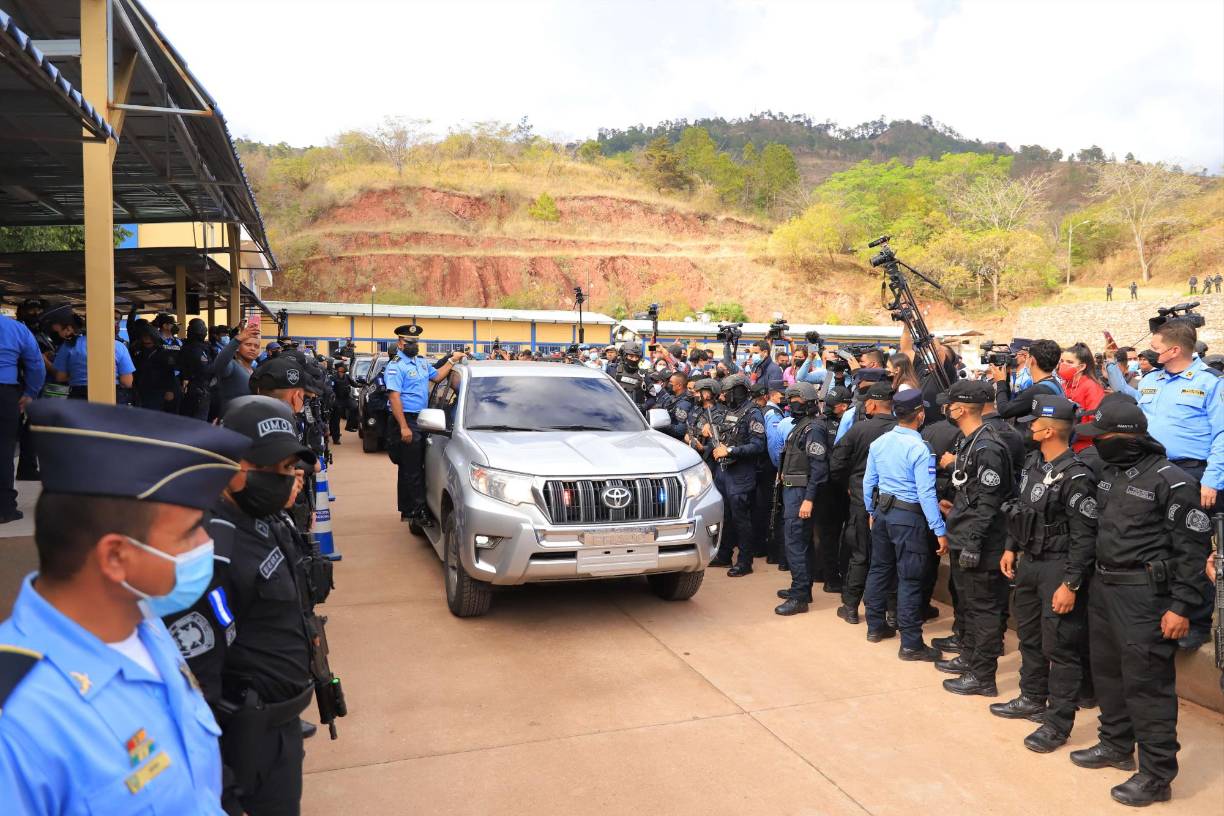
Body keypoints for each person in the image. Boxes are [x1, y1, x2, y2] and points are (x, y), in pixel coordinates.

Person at [0, 399, 250, 814]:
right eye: (190, 534)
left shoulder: (144, 625)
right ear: (115, 557)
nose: (206, 545)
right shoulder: (19, 721)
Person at [162, 396, 317, 816]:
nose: (290, 479)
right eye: (279, 469)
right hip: (244, 742)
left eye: (291, 467)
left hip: (277, 729)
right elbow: (196, 685)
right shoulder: (211, 552)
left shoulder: (260, 517)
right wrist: (225, 789)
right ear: (232, 467)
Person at [1069, 395, 1211, 806]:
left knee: (1147, 686)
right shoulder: (1109, 474)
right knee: (1109, 674)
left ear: (1129, 437)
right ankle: (1114, 744)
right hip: (1105, 588)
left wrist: (1181, 607)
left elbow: (1191, 552)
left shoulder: (1173, 482)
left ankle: (1156, 774)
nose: (1097, 444)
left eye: (1104, 436)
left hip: (1145, 596)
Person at [995, 395, 1097, 753]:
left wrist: (1071, 583)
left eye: (1034, 422)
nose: (1029, 427)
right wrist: (1010, 545)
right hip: (1031, 561)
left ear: (1050, 430)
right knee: (1029, 634)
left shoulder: (1077, 476)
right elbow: (1021, 508)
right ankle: (1032, 696)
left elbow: (1084, 538)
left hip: (1058, 564)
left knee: (1061, 646)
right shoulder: (1035, 461)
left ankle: (1058, 723)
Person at [938, 379, 1015, 697]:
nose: (947, 409)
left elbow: (990, 502)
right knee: (969, 605)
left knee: (983, 609)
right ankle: (970, 660)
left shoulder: (988, 446)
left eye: (950, 403)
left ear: (960, 407)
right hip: (965, 533)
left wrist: (973, 542)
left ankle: (983, 676)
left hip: (980, 542)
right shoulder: (972, 441)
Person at [862, 387, 949, 658]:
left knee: (879, 570)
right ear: (920, 415)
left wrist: (871, 511)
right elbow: (926, 493)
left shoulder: (880, 443)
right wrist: (939, 530)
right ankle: (910, 642)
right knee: (910, 579)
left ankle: (875, 626)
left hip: (883, 513)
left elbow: (868, 483)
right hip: (908, 518)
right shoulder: (921, 448)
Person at [830, 381, 898, 624]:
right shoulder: (902, 429)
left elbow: (836, 462)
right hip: (893, 503)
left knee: (860, 554)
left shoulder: (859, 429)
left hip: (861, 500)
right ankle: (892, 612)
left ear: (872, 403)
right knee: (889, 558)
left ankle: (850, 607)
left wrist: (848, 485)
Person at [384, 327, 464, 525]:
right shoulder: (396, 366)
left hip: (422, 418)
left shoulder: (420, 362)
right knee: (411, 468)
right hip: (406, 419)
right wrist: (403, 426)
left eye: (416, 342)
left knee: (414, 466)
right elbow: (394, 398)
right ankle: (417, 512)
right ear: (400, 343)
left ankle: (409, 509)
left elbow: (437, 376)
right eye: (410, 343)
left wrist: (452, 360)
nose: (414, 346)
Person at [774, 382, 830, 615]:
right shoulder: (802, 427)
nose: (792, 405)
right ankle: (802, 588)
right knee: (800, 543)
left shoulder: (813, 429)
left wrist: (809, 499)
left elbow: (818, 468)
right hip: (792, 491)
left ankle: (799, 597)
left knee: (795, 543)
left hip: (801, 493)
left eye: (797, 401)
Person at [706, 373, 766, 576]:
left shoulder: (753, 413)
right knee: (725, 516)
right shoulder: (727, 411)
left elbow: (758, 445)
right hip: (723, 472)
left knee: (741, 519)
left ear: (738, 391)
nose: (724, 396)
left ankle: (745, 561)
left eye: (728, 392)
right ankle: (724, 554)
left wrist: (731, 451)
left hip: (741, 474)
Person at [0, 312, 45, 523]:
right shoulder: (16, 328)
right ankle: (4, 508)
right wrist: (30, 394)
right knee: (3, 450)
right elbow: (36, 364)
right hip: (5, 394)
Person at [43, 304, 135, 403]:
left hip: (79, 398)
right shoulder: (119, 347)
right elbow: (127, 382)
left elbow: (60, 377)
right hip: (112, 398)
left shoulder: (69, 346)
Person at [992, 338, 1064, 420]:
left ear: (1032, 360)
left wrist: (1000, 382)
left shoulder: (1038, 390)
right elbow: (1012, 404)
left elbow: (1005, 411)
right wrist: (1007, 376)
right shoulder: (1053, 383)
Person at [1058, 342, 1105, 453]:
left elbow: (1095, 422)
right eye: (1062, 361)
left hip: (1083, 448)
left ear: (1082, 366)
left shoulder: (1092, 387)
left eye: (1069, 362)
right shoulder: (1064, 385)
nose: (1063, 365)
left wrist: (1070, 432)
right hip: (1063, 445)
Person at [213, 321, 262, 414]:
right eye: (248, 344)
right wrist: (237, 339)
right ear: (237, 348)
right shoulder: (231, 366)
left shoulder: (256, 371)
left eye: (256, 346)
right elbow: (219, 364)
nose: (253, 348)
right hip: (230, 421)